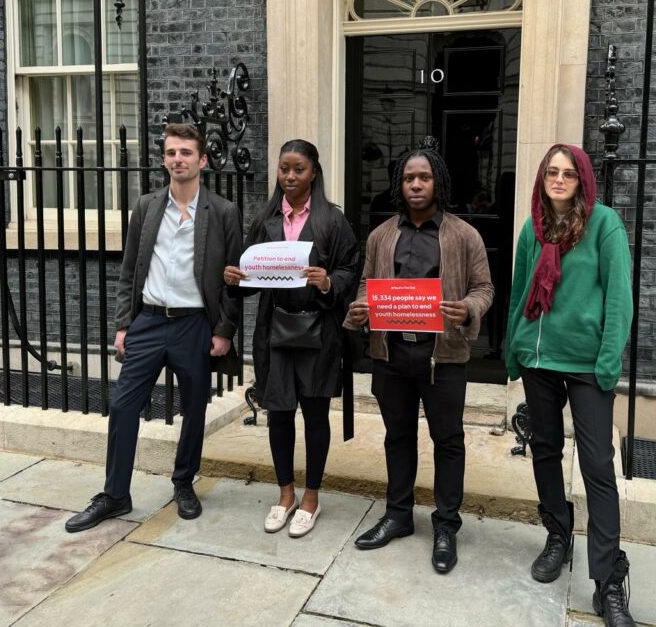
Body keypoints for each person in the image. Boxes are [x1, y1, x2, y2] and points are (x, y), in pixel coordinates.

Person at [66, 123, 243, 532]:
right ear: (164, 160)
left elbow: (234, 279)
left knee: (194, 409)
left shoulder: (223, 212)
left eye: (185, 152)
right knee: (124, 406)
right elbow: (130, 269)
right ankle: (115, 494)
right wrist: (124, 324)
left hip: (194, 325)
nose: (177, 159)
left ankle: (183, 482)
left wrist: (225, 330)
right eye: (171, 153)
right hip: (147, 321)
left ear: (202, 160)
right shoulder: (147, 206)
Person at [346, 137, 494, 574]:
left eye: (424, 177)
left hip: (442, 356)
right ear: (399, 183)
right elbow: (366, 285)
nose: (416, 184)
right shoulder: (380, 235)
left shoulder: (464, 236)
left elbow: (484, 289)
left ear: (438, 183)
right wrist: (361, 308)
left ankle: (446, 524)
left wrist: (468, 308)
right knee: (397, 436)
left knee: (448, 441)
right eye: (409, 177)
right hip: (392, 354)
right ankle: (398, 514)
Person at [504, 144, 634, 627]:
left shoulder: (604, 225)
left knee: (598, 464)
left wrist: (607, 363)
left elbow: (619, 297)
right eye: (551, 173)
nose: (559, 181)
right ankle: (558, 535)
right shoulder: (532, 228)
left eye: (568, 174)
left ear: (582, 180)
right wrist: (513, 348)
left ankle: (608, 581)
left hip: (585, 363)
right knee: (544, 449)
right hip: (539, 358)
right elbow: (519, 290)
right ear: (542, 179)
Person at [224, 140, 359, 538]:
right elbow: (251, 277)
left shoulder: (333, 221)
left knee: (316, 418)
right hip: (275, 333)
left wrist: (331, 281)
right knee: (278, 415)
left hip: (319, 333)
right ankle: (285, 494)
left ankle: (312, 496)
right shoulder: (265, 220)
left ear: (314, 172)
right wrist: (236, 280)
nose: (290, 176)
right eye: (284, 169)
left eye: (298, 169)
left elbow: (352, 267)